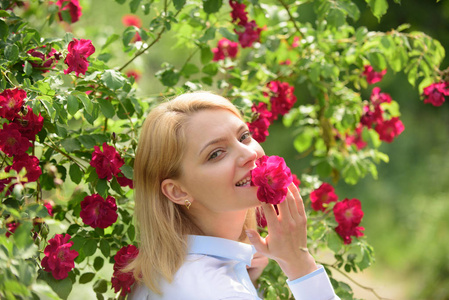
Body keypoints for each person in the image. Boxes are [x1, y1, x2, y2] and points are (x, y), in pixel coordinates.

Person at [127, 91, 339, 299]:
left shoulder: (164, 272)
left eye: (244, 136)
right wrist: (300, 264)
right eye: (216, 153)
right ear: (178, 191)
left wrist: (250, 283)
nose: (250, 154)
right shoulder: (220, 291)